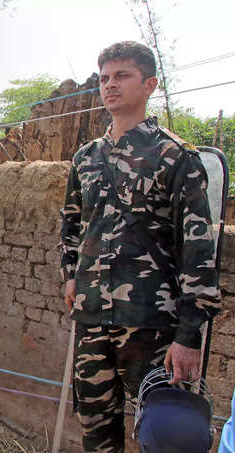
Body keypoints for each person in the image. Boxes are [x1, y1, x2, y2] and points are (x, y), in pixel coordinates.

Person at [60, 41, 221, 453]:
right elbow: (72, 225)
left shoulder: (176, 157)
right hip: (93, 321)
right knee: (95, 431)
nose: (110, 85)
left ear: (149, 84)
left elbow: (198, 253)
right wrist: (70, 277)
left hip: (153, 326)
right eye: (104, 78)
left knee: (167, 433)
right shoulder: (85, 158)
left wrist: (188, 336)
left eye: (122, 76)